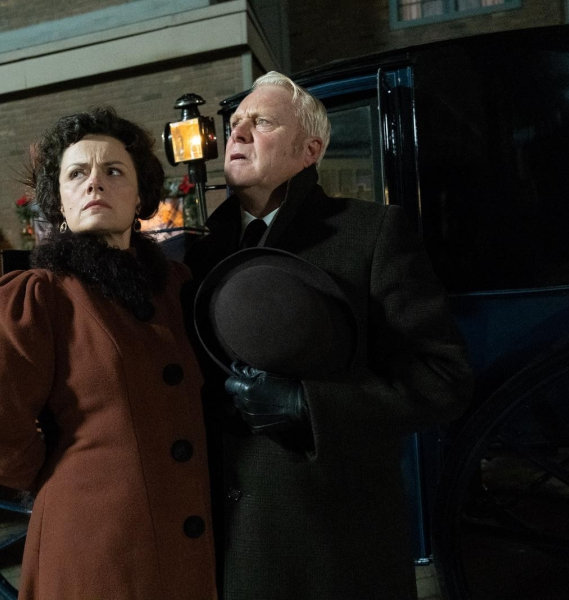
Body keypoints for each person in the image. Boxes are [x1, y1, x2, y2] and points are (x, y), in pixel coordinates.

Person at [184, 72, 474, 599]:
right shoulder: (193, 255)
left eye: (262, 122)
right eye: (236, 122)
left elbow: (443, 377)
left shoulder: (371, 233)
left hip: (330, 548)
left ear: (310, 150)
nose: (238, 133)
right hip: (219, 548)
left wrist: (307, 405)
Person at [0, 107, 217, 600]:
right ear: (59, 199)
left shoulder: (176, 287)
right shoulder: (37, 298)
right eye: (77, 173)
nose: (94, 182)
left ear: (140, 195)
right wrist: (75, 478)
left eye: (113, 171)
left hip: (189, 535)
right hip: (94, 546)